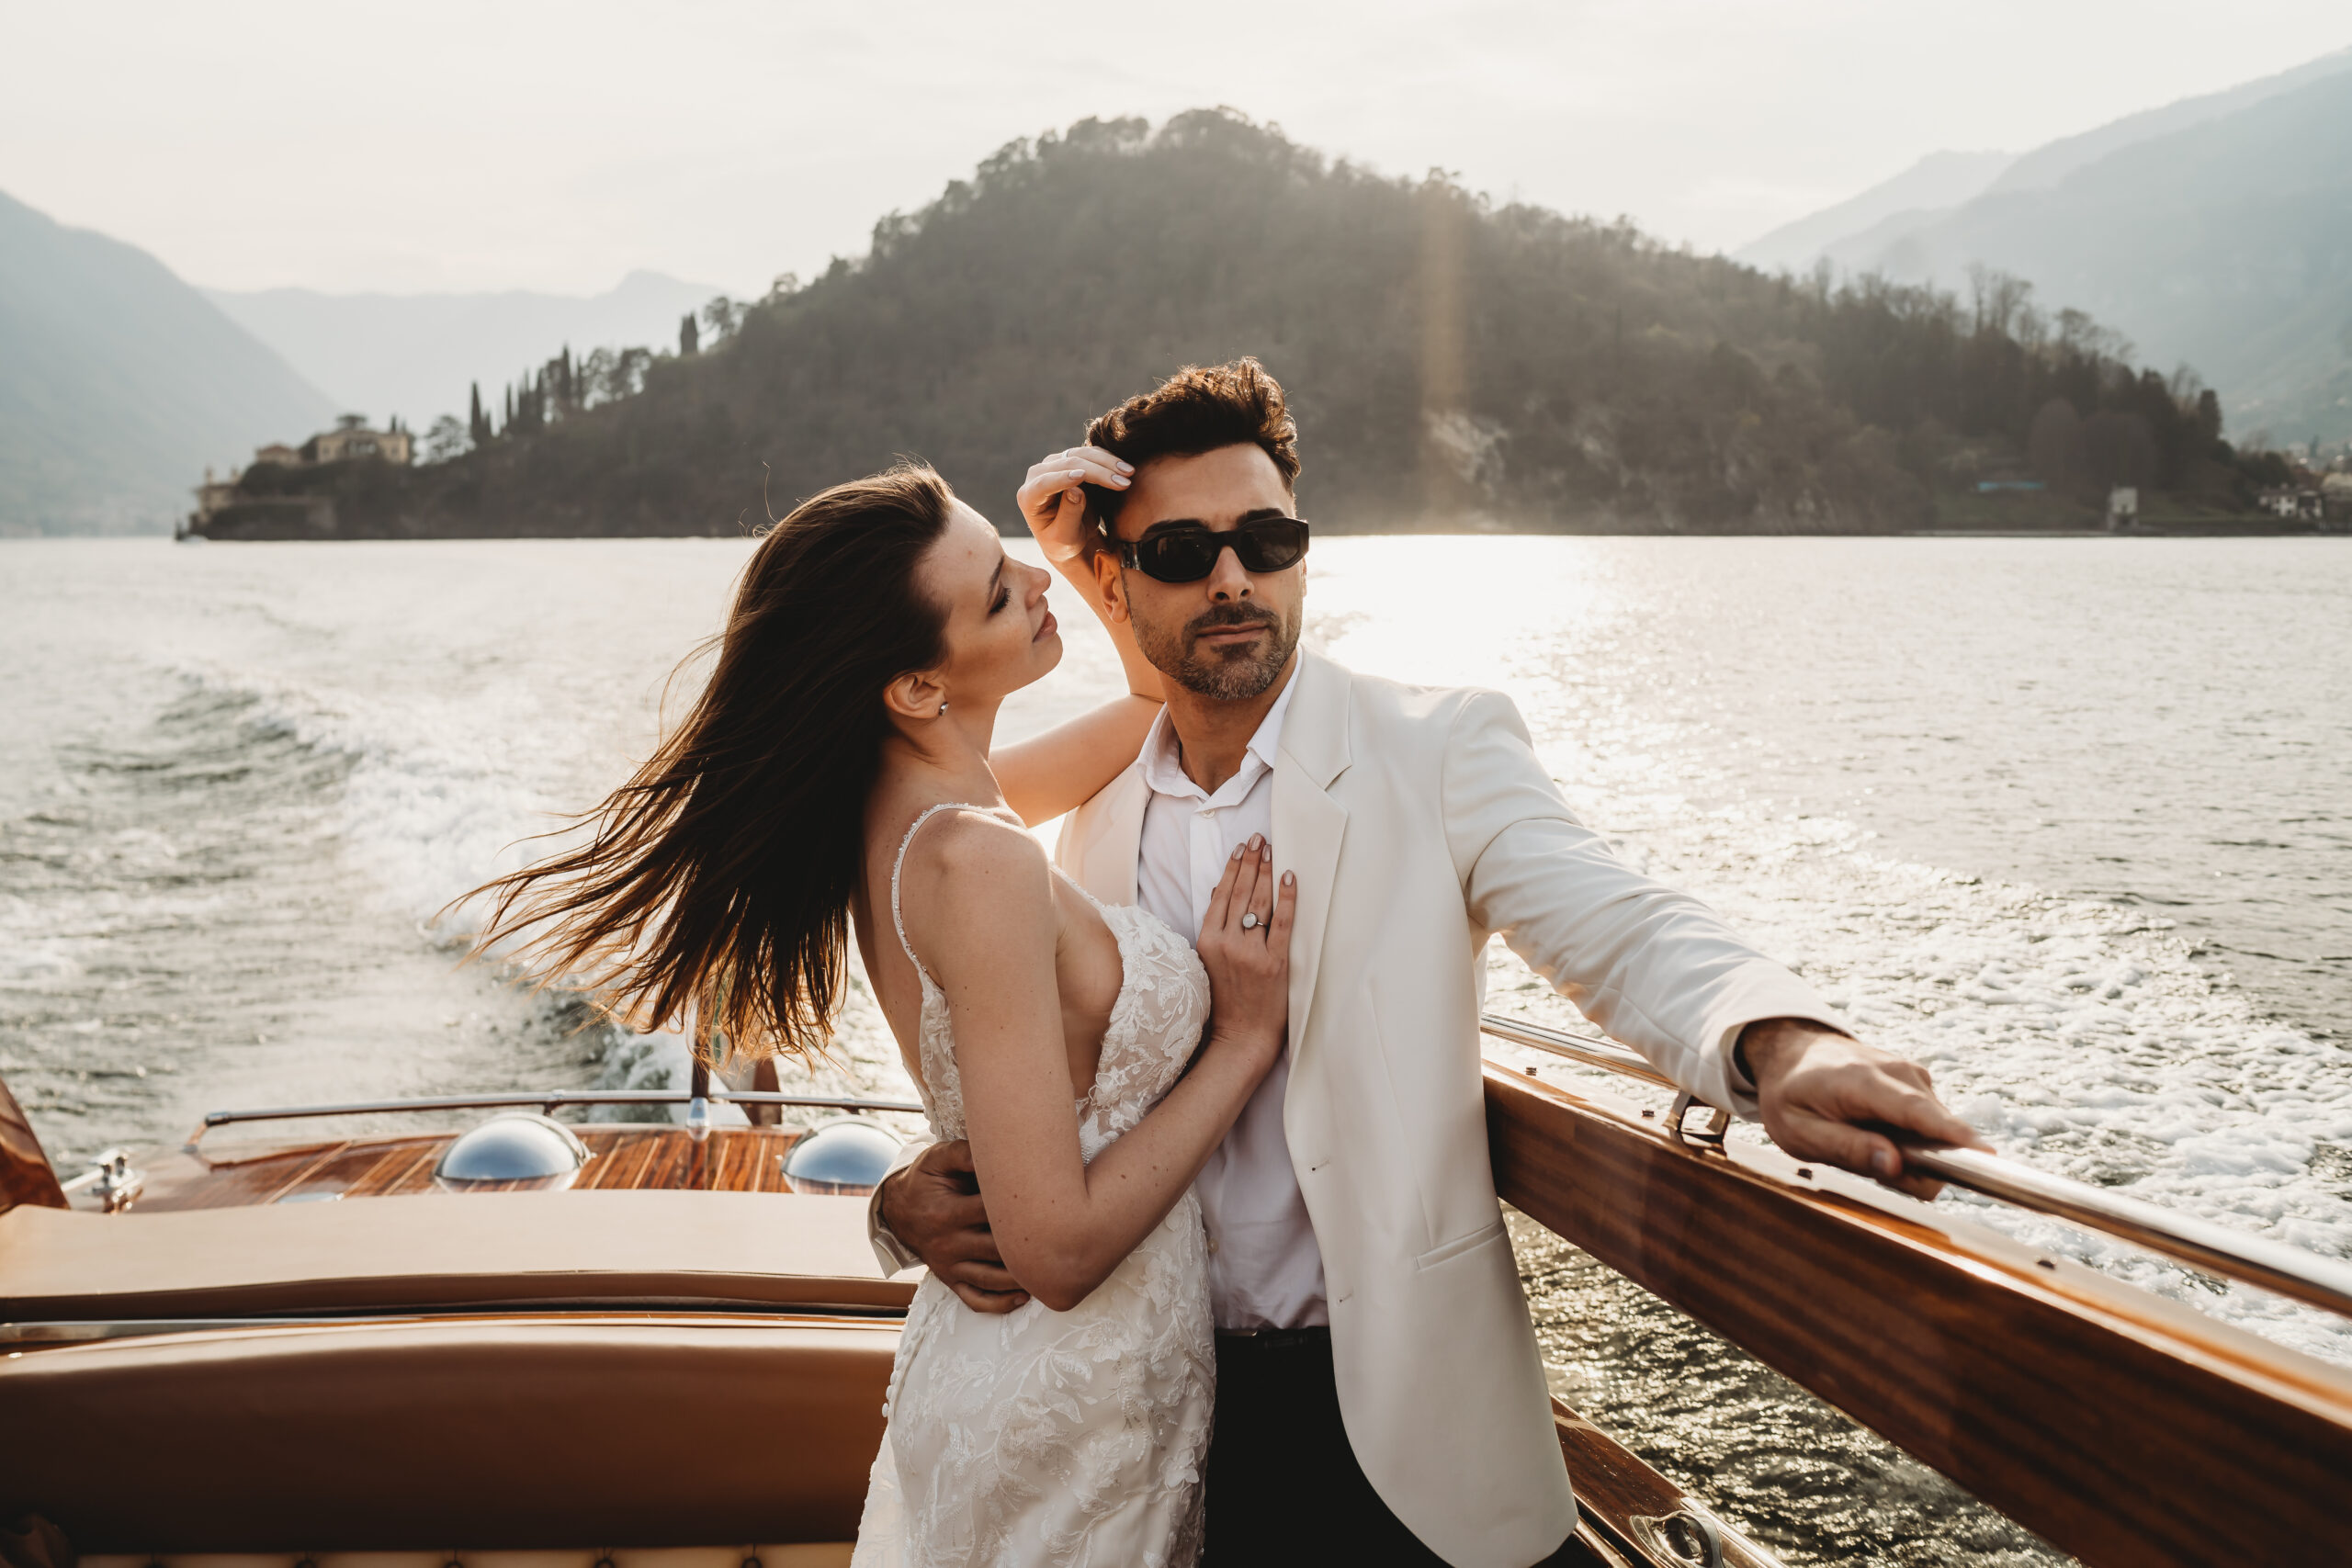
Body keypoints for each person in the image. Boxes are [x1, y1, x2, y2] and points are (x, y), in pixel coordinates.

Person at [870, 359, 1986, 1568]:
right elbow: (1014, 1066)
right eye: (1183, 552)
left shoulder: (1436, 746)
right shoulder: (1081, 818)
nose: (1233, 575)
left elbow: (1617, 918)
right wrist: (896, 1197)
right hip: (1151, 1412)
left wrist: (1782, 1040)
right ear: (1120, 579)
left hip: (1391, 1413)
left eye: (1268, 537)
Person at [463, 465, 1296, 1565]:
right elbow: (1052, 1250)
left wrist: (1084, 565)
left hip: (1066, 1377)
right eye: (999, 592)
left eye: (1004, 551)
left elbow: (1152, 704)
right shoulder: (976, 855)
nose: (1030, 580)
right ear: (913, 686)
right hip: (1064, 1391)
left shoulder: (918, 813)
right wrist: (1241, 1039)